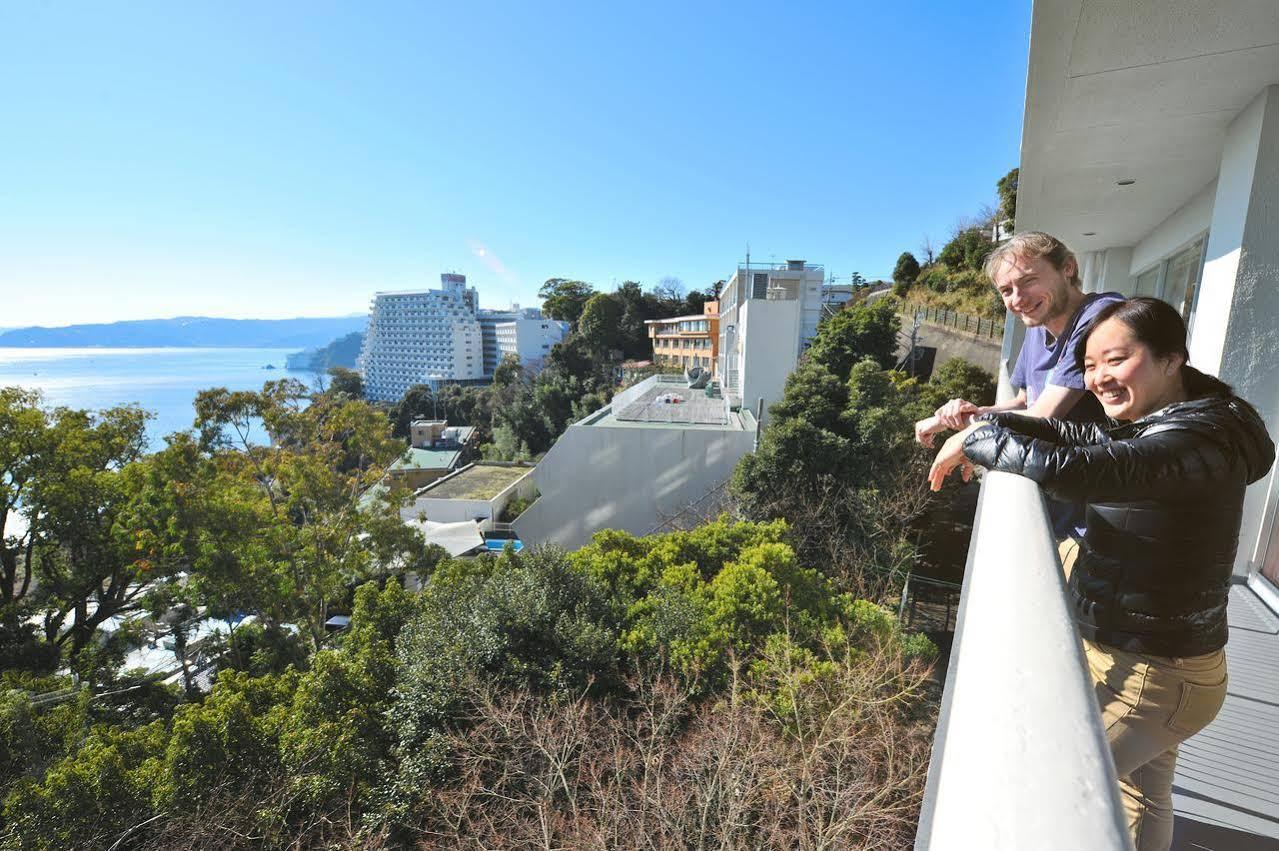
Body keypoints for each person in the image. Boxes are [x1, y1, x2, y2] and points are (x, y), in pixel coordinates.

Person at [928, 297, 1275, 851]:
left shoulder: (1195, 439)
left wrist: (976, 440)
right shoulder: (1177, 421)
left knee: (1040, 797)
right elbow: (1081, 438)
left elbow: (1083, 467)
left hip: (1153, 678)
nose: (1099, 379)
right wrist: (989, 423)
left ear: (1171, 359)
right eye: (1089, 366)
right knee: (1140, 798)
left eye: (1116, 359)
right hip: (1169, 666)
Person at [914, 232, 1125, 571]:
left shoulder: (1099, 318)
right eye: (1006, 290)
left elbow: (1043, 416)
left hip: (1102, 528)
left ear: (1067, 268)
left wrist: (972, 438)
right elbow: (1025, 402)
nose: (1018, 299)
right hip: (1060, 513)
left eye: (1028, 281)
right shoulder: (1037, 328)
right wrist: (970, 414)